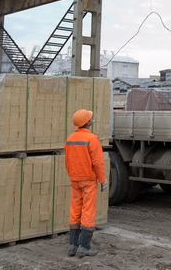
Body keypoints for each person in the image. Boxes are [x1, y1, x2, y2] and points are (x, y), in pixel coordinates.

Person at [64, 109, 108, 258]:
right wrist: (102, 180)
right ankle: (84, 247)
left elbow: (67, 161)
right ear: (87, 122)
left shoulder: (70, 139)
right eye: (90, 118)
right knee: (88, 211)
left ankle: (72, 245)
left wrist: (73, 176)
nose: (92, 120)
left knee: (75, 210)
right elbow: (98, 163)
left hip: (75, 180)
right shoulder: (91, 139)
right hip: (88, 180)